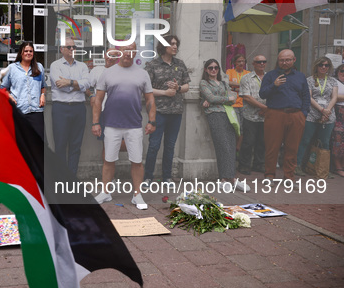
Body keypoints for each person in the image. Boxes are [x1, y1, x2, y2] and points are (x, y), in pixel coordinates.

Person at [92, 42, 156, 209]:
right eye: (126, 50)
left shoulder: (143, 74)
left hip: (134, 125)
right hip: (111, 124)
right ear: (120, 52)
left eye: (132, 50)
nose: (128, 53)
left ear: (135, 53)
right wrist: (96, 122)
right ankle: (105, 192)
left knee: (136, 161)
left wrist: (151, 120)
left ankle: (137, 195)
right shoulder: (108, 73)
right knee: (108, 159)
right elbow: (98, 100)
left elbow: (150, 100)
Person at [144, 35, 190, 184]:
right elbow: (146, 89)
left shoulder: (180, 64)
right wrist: (165, 92)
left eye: (176, 44)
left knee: (170, 146)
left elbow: (187, 86)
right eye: (172, 44)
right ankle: (147, 177)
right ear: (164, 46)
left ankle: (167, 177)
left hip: (176, 112)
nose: (175, 46)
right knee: (154, 145)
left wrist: (178, 88)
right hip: (158, 112)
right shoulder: (152, 65)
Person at [259, 49, 310, 181]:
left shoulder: (300, 76)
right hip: (275, 114)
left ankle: (289, 177)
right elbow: (262, 94)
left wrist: (303, 114)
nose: (284, 62)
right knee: (272, 147)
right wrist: (274, 85)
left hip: (296, 115)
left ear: (294, 60)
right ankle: (269, 175)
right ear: (278, 61)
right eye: (281, 60)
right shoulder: (270, 76)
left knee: (292, 149)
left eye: (288, 60)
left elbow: (306, 97)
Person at [199, 59, 249, 192]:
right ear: (206, 70)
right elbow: (214, 98)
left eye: (216, 67)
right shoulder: (204, 83)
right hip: (214, 115)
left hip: (228, 114)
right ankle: (223, 179)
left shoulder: (223, 83)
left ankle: (231, 178)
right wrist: (221, 99)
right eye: (210, 68)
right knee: (223, 146)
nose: (213, 70)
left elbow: (232, 97)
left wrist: (215, 99)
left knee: (231, 145)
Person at [49, 37, 90, 175]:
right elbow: (60, 86)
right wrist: (77, 85)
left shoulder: (83, 66)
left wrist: (70, 83)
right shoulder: (55, 65)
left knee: (76, 145)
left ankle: (72, 177)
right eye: (69, 47)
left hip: (79, 108)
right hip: (61, 108)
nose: (72, 49)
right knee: (60, 145)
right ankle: (61, 177)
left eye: (74, 47)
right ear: (62, 49)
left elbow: (87, 84)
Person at [295, 57, 337, 176]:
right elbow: (309, 97)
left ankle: (323, 169)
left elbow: (333, 97)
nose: (324, 67)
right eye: (321, 65)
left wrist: (327, 110)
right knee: (305, 140)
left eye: (326, 65)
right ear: (316, 66)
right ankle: (298, 166)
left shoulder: (332, 81)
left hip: (328, 115)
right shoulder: (309, 80)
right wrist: (321, 109)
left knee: (325, 142)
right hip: (313, 114)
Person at [1, 42, 46, 140]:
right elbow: (3, 87)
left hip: (36, 111)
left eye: (31, 51)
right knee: (22, 142)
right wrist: (10, 96)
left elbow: (43, 85)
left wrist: (43, 95)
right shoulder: (12, 68)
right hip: (19, 111)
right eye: (26, 51)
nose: (28, 53)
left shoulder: (39, 67)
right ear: (21, 53)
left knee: (39, 141)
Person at [237, 55, 268, 175]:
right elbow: (246, 97)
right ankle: (244, 165)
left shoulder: (269, 77)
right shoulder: (246, 78)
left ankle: (259, 164)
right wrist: (264, 107)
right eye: (258, 62)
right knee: (248, 142)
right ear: (253, 64)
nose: (261, 64)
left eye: (264, 62)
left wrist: (266, 110)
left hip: (265, 116)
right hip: (250, 115)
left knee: (263, 141)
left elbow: (275, 94)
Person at [226, 54, 249, 153]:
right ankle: (232, 148)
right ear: (234, 62)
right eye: (239, 61)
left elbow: (249, 86)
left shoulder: (248, 73)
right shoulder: (230, 71)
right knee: (235, 127)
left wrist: (235, 88)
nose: (241, 63)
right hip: (233, 104)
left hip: (245, 104)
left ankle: (238, 149)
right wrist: (242, 86)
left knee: (243, 128)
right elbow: (227, 83)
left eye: (243, 61)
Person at [330, 63, 344, 177]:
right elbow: (333, 96)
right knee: (338, 141)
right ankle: (337, 167)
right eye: (342, 71)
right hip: (339, 113)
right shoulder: (335, 82)